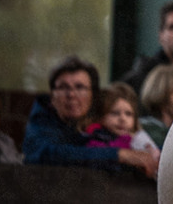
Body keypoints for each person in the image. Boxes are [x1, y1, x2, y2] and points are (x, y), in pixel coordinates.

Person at [23, 55, 159, 178]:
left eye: (80, 87)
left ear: (93, 95)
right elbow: (43, 154)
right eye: (63, 87)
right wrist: (119, 154)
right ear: (52, 95)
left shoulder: (104, 124)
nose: (71, 94)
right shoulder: (42, 120)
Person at [84, 82, 159, 154]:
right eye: (115, 113)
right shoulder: (95, 136)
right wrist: (124, 142)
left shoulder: (137, 137)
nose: (123, 119)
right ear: (101, 116)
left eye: (128, 114)